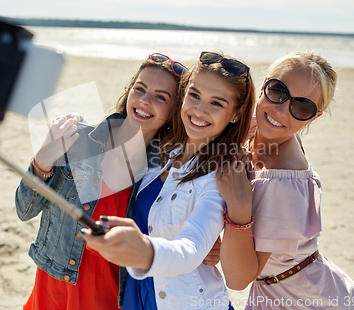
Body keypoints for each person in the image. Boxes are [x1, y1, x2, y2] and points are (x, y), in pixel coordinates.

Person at [82, 51, 256, 310]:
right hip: (135, 296)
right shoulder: (161, 149)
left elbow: (191, 248)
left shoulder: (221, 175)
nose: (199, 110)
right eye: (194, 95)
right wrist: (76, 125)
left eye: (217, 103)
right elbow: (133, 115)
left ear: (236, 114)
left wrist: (145, 251)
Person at [15, 53, 187, 310]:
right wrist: (41, 161)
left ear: (174, 111)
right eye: (139, 89)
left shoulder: (162, 172)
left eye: (160, 97)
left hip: (111, 298)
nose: (144, 100)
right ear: (129, 91)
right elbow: (25, 210)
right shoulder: (76, 140)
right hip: (52, 292)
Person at [216, 51, 354, 309]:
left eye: (302, 107)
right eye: (277, 91)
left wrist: (236, 207)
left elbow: (238, 278)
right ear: (263, 84)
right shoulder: (264, 134)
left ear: (313, 117)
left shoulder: (281, 181)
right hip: (290, 286)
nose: (282, 110)